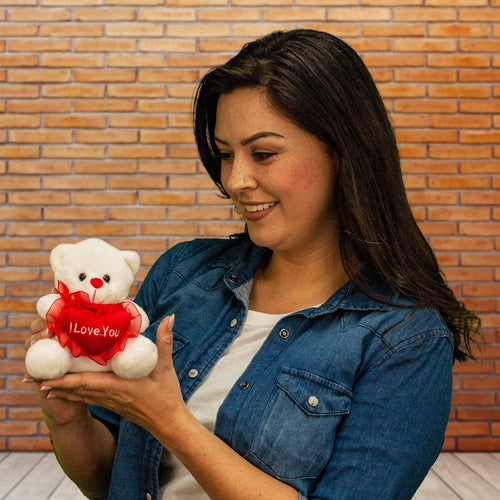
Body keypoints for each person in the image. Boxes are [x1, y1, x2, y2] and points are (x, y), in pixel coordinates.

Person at [24, 29, 481, 500]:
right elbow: (107, 480)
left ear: (344, 152)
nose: (236, 180)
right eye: (225, 154)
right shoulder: (184, 273)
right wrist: (67, 416)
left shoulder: (405, 340)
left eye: (263, 154)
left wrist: (169, 419)